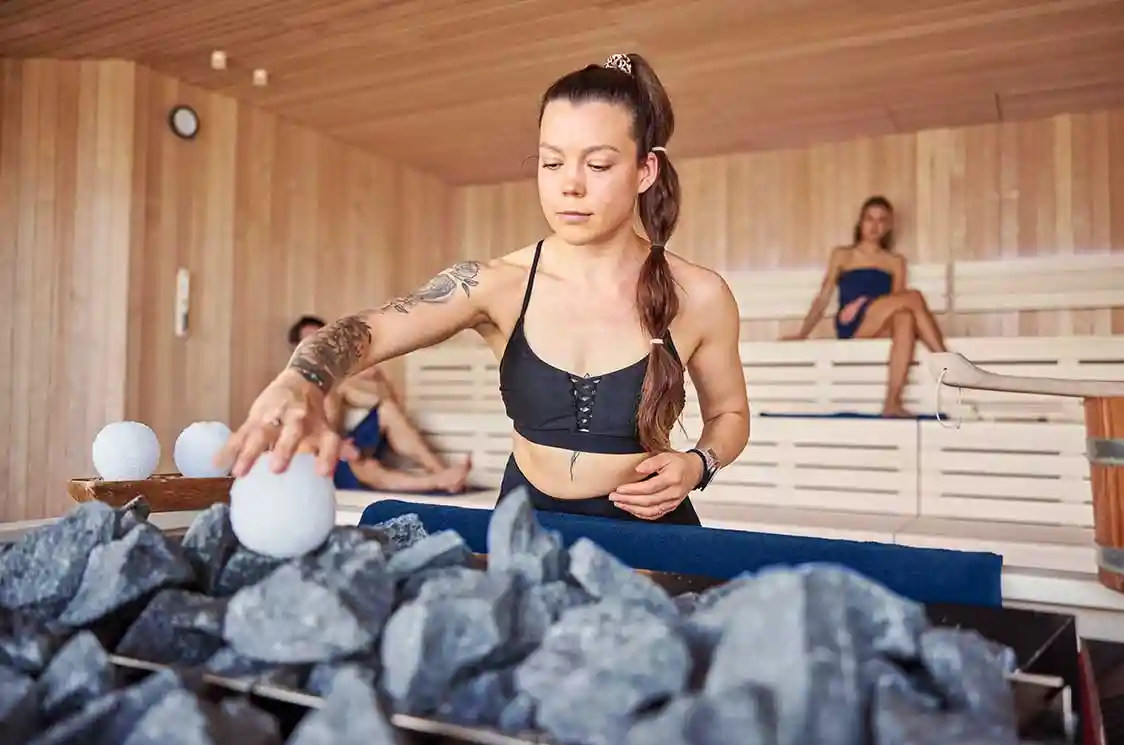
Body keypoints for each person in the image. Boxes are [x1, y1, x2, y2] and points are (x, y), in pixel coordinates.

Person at [220, 53, 750, 525]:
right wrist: (303, 379)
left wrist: (697, 464)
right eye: (551, 162)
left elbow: (729, 415)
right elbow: (371, 329)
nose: (570, 184)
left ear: (644, 170)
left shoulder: (700, 295)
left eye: (598, 164)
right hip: (526, 529)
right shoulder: (497, 284)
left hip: (652, 537)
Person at [783, 195, 948, 417]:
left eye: (881, 220)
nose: (874, 226)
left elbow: (898, 301)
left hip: (877, 322)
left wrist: (865, 302)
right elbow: (823, 298)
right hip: (852, 323)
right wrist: (803, 333)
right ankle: (946, 362)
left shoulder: (895, 261)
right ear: (860, 222)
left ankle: (892, 403)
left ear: (888, 226)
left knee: (905, 317)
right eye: (869, 219)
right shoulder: (843, 255)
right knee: (915, 297)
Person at [287, 315, 472, 494]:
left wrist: (380, 379)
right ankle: (437, 481)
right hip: (320, 461)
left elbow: (389, 403)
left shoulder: (337, 386)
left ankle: (442, 472)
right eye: (310, 342)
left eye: (321, 340)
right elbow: (298, 437)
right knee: (365, 466)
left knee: (387, 411)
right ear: (296, 349)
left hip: (343, 448)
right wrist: (338, 447)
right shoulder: (290, 390)